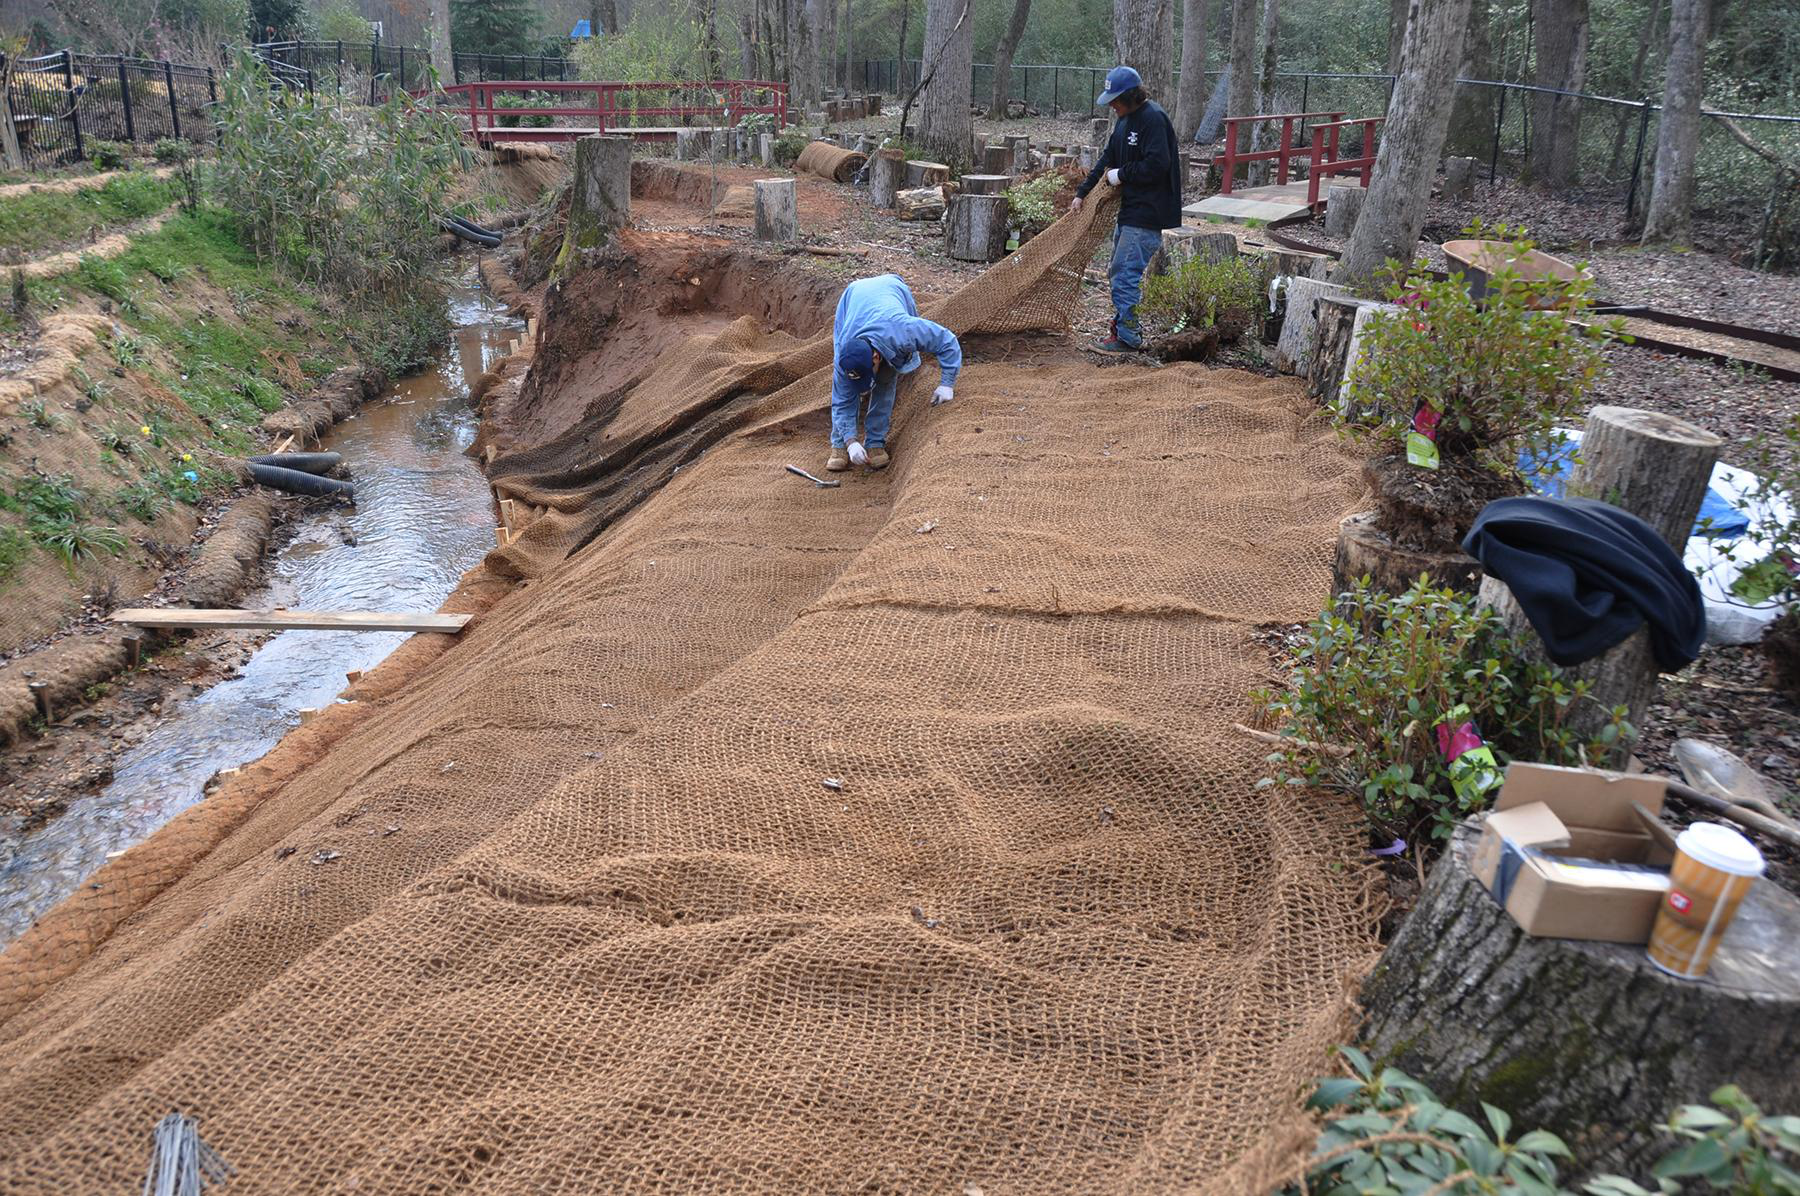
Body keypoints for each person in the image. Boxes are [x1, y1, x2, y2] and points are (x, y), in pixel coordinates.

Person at [1071, 65, 1184, 352]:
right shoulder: (1124, 120)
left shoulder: (1153, 119)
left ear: (1133, 96)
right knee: (1118, 271)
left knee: (1124, 272)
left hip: (1148, 211)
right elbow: (1108, 157)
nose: (1112, 105)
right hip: (1130, 208)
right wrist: (1083, 193)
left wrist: (1122, 175)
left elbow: (1159, 164)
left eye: (1116, 99)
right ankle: (1123, 327)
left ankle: (1128, 337)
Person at [826, 274, 962, 472]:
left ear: (875, 358)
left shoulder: (904, 331)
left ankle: (875, 443)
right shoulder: (844, 358)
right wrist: (850, 441)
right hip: (854, 295)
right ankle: (838, 444)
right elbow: (842, 399)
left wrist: (947, 383)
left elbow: (946, 340)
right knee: (844, 392)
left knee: (885, 380)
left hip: (891, 288)